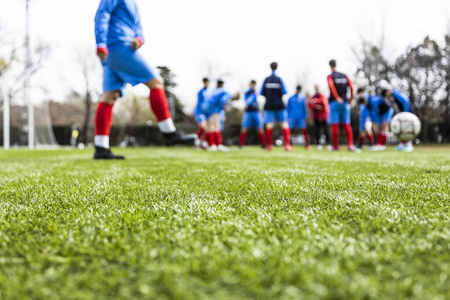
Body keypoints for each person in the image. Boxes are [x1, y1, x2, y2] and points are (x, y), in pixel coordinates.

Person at [93, 0, 194, 159]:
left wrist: (139, 39)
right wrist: (100, 43)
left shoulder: (133, 4)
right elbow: (102, 15)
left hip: (114, 51)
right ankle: (169, 133)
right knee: (156, 82)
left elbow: (138, 27)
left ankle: (100, 147)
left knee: (109, 96)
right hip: (118, 47)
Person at [260, 62, 292, 151]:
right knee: (284, 124)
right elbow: (284, 92)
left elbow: (262, 93)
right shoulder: (279, 79)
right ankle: (287, 145)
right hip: (279, 105)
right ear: (277, 68)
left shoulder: (266, 80)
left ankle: (269, 146)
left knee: (269, 125)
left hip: (269, 105)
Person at [326, 59, 356, 151]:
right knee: (346, 124)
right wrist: (351, 99)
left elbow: (331, 86)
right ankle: (350, 145)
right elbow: (351, 87)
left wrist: (336, 97)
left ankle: (335, 146)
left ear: (330, 66)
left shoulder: (330, 76)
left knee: (334, 124)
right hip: (345, 103)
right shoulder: (344, 75)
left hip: (334, 103)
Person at [202, 79, 239, 151]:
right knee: (215, 126)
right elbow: (222, 101)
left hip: (206, 108)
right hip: (213, 109)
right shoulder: (227, 94)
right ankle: (216, 145)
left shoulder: (215, 90)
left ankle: (212, 145)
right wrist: (220, 111)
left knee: (210, 126)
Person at [238, 80, 266, 148]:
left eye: (254, 84)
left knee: (260, 128)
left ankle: (263, 144)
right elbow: (248, 100)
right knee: (244, 127)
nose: (253, 85)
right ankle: (240, 145)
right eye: (252, 84)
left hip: (256, 111)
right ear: (250, 84)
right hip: (248, 112)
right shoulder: (247, 92)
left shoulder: (256, 92)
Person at [287, 85, 311, 150]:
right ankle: (287, 145)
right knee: (288, 130)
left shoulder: (302, 97)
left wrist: (305, 116)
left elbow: (304, 108)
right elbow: (288, 108)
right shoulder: (291, 98)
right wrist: (288, 117)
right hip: (292, 116)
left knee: (304, 130)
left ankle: (306, 145)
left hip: (301, 117)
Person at [308, 85, 330, 150]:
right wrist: (316, 106)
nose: (317, 90)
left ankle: (328, 144)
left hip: (323, 117)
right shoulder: (312, 97)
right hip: (316, 117)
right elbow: (309, 104)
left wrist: (315, 101)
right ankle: (318, 144)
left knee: (326, 131)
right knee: (317, 131)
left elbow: (323, 101)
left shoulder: (323, 96)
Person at [195, 78, 210, 149]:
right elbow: (200, 103)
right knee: (202, 127)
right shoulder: (201, 92)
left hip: (206, 113)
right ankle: (197, 142)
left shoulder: (209, 92)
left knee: (206, 129)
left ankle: (203, 142)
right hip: (200, 112)